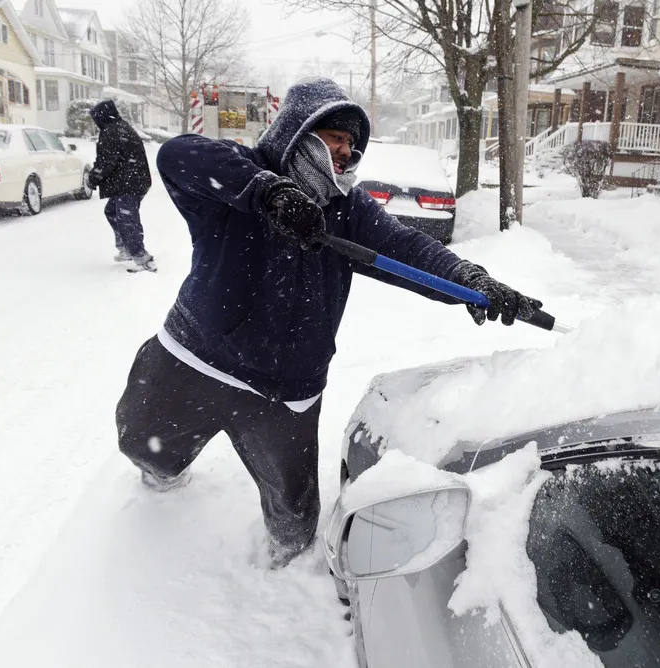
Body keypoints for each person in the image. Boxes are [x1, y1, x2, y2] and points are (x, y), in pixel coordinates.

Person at [115, 77, 542, 568]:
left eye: (351, 144)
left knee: (294, 518)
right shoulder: (242, 178)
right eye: (335, 137)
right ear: (299, 129)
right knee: (145, 447)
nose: (346, 151)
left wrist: (471, 279)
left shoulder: (346, 208)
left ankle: (286, 568)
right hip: (193, 358)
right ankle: (162, 485)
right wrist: (269, 194)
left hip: (283, 391)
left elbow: (407, 249)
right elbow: (177, 155)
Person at [88, 100, 155, 272]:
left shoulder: (112, 131)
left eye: (95, 118)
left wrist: (93, 178)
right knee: (113, 212)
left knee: (127, 219)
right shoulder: (119, 127)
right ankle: (127, 248)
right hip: (133, 181)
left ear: (101, 117)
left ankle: (141, 257)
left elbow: (106, 161)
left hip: (128, 183)